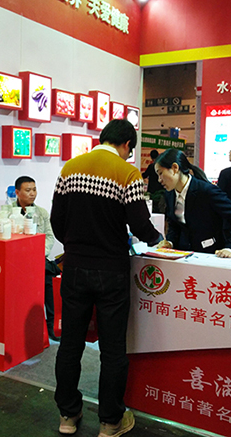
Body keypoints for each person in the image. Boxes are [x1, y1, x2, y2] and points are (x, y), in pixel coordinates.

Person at [50, 119, 163, 437]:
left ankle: (68, 415)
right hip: (112, 271)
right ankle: (110, 421)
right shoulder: (127, 174)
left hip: (74, 269)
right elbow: (139, 224)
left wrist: (75, 246)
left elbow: (57, 219)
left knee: (70, 345)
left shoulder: (70, 168)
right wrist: (158, 240)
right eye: (130, 150)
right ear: (126, 144)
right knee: (113, 349)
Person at [155, 148, 231, 258]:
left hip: (210, 254)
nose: (159, 180)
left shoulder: (206, 191)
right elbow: (174, 224)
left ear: (175, 168)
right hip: (183, 255)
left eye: (160, 173)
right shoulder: (169, 194)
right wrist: (170, 242)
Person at [13, 175, 59, 341]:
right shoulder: (9, 213)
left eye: (34, 189)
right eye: (28, 190)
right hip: (17, 263)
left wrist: (38, 254)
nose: (32, 193)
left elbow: (50, 236)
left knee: (49, 283)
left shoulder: (42, 213)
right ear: (17, 192)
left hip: (39, 260)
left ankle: (51, 326)